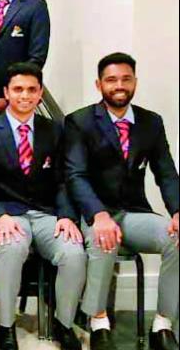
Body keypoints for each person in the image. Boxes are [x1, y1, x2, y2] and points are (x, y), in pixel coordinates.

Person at [64, 53, 179, 350]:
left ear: (135, 82)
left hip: (132, 211)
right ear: (99, 84)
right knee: (105, 240)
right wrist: (98, 215)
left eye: (126, 79)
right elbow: (75, 175)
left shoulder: (151, 122)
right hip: (94, 212)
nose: (119, 85)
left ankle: (163, 323)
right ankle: (98, 320)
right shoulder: (79, 121)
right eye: (112, 79)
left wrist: (178, 210)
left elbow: (166, 173)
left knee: (176, 236)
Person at [0, 63, 85, 350]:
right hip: (8, 212)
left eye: (32, 90)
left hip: (46, 213)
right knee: (12, 248)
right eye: (18, 89)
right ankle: (6, 327)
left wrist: (68, 216)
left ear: (40, 93)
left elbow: (63, 181)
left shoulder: (55, 130)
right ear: (6, 92)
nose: (25, 96)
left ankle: (64, 323)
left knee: (74, 253)